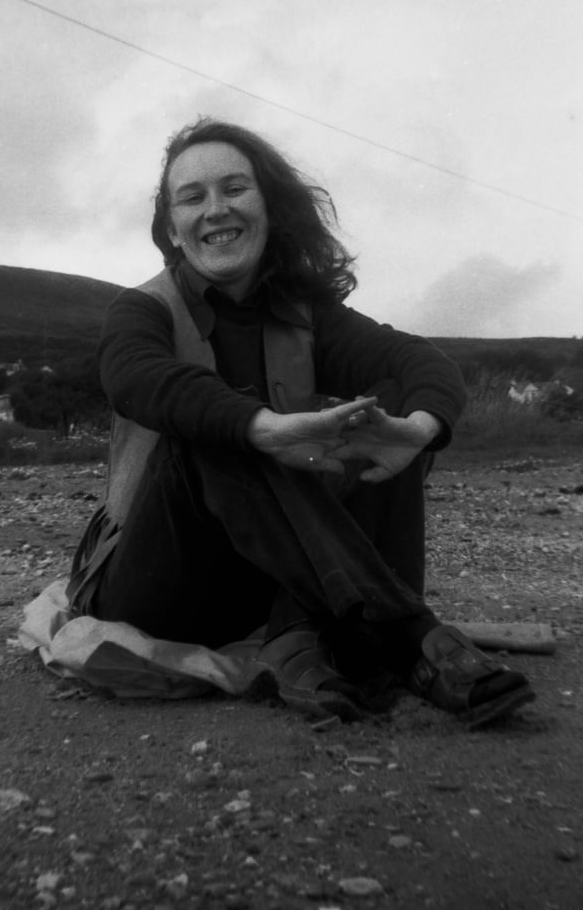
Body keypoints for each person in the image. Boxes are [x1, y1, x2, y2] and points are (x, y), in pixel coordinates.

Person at [67, 118, 535, 728]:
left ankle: (297, 636)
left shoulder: (307, 316)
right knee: (210, 421)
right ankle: (410, 633)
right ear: (173, 231)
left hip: (264, 583)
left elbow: (421, 362)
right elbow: (134, 377)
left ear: (269, 207)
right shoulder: (141, 309)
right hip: (157, 582)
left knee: (388, 398)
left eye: (235, 188)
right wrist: (261, 425)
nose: (215, 209)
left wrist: (417, 430)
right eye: (192, 197)